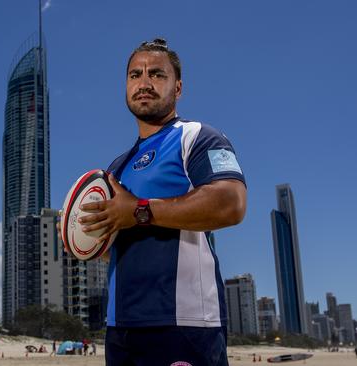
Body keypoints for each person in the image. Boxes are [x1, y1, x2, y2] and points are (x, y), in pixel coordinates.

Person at [79, 38, 246, 366]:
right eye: (134, 75)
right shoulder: (117, 167)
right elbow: (119, 241)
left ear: (178, 87)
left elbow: (231, 203)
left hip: (183, 325)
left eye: (156, 74)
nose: (143, 83)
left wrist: (140, 211)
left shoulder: (197, 136)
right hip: (120, 328)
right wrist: (85, 236)